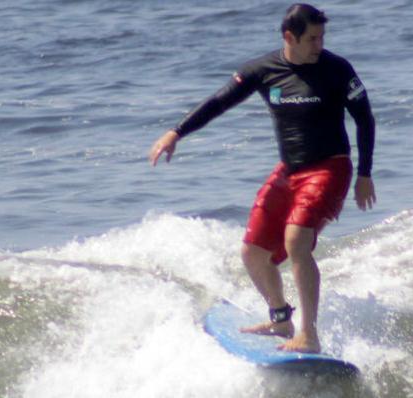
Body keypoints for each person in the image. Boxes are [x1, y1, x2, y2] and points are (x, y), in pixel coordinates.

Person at [149, 3, 376, 353]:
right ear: (290, 37)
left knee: (296, 240)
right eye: (312, 39)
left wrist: (364, 174)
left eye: (322, 37)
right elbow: (219, 102)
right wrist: (176, 132)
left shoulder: (337, 69)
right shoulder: (262, 70)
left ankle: (309, 335)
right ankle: (280, 318)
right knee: (252, 252)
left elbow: (365, 119)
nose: (319, 45)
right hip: (290, 170)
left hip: (330, 167)